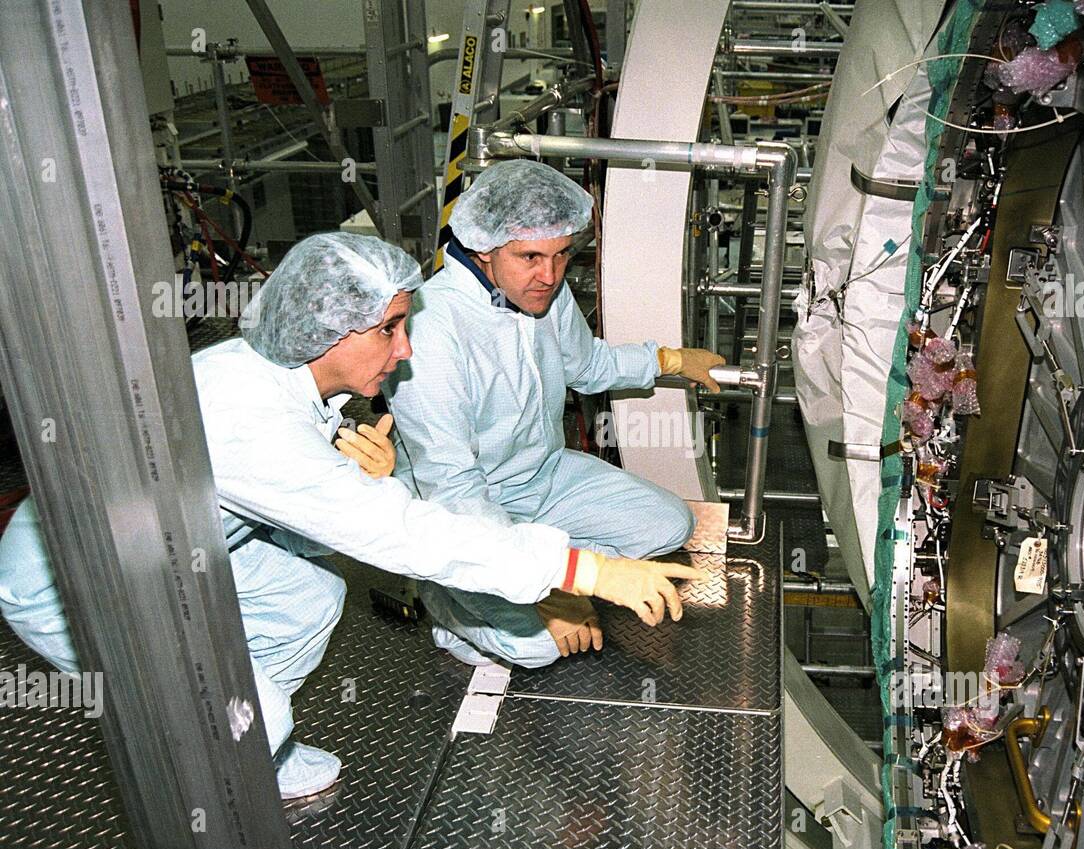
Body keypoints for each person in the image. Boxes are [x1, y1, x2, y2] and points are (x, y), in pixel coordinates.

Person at [0, 232, 703, 800]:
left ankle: (238, 724)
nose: (406, 349)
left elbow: (266, 499)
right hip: (78, 580)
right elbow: (398, 532)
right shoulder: (249, 420)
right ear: (333, 331)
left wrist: (347, 468)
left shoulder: (269, 368)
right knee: (249, 721)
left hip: (182, 545)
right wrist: (585, 567)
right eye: (392, 329)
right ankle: (216, 766)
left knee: (309, 593)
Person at [384, 160, 725, 669]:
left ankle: (539, 561)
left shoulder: (542, 290)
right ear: (483, 248)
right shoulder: (433, 328)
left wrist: (668, 361)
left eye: (562, 255)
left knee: (669, 525)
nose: (549, 275)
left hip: (546, 476)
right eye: (530, 256)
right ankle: (440, 596)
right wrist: (548, 583)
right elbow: (452, 486)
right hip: (463, 503)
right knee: (541, 646)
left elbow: (586, 365)